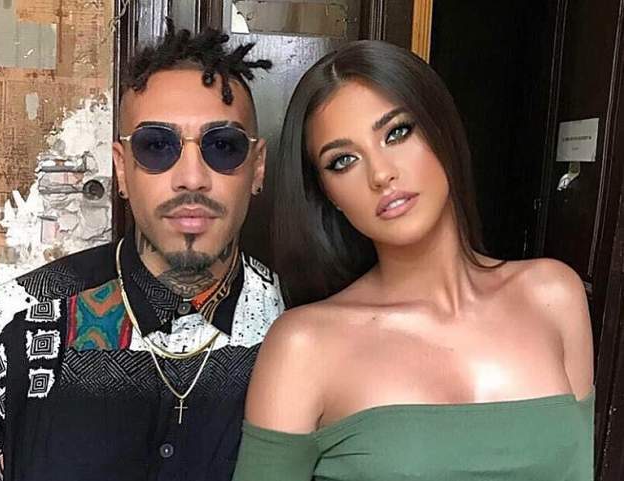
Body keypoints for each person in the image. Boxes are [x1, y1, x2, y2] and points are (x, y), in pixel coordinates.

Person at [0, 21, 284, 481]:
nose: (192, 178)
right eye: (157, 146)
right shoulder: (7, 328)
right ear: (122, 168)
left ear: (257, 167)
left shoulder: (298, 327)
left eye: (223, 146)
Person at [232, 40, 594, 481]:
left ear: (441, 129)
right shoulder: (303, 346)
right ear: (328, 195)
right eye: (343, 161)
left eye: (397, 133)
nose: (381, 174)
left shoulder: (554, 296)